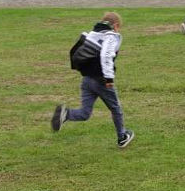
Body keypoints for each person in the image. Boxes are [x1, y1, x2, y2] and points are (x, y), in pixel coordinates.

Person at [51, 12, 134, 148]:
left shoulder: (92, 34)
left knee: (85, 113)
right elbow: (106, 55)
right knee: (115, 109)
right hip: (101, 80)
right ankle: (122, 136)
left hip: (86, 79)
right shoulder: (111, 37)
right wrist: (108, 78)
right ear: (116, 26)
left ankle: (65, 114)